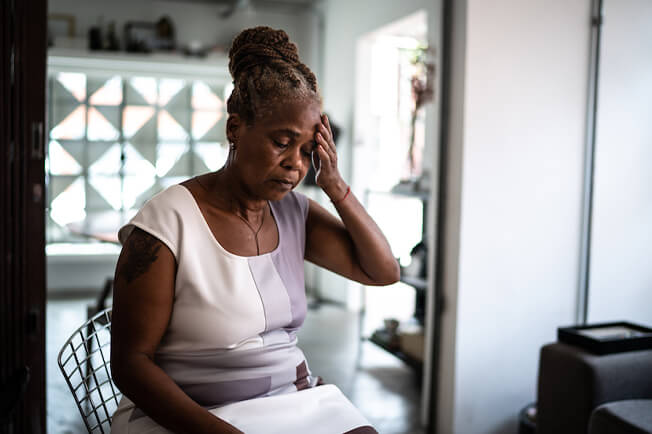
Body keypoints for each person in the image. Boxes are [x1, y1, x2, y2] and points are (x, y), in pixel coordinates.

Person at [110, 26, 399, 434]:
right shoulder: (167, 224)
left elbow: (383, 271)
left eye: (306, 151)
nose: (295, 165)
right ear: (234, 129)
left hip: (287, 401)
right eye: (282, 142)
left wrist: (334, 185)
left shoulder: (294, 212)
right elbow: (130, 365)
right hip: (192, 413)